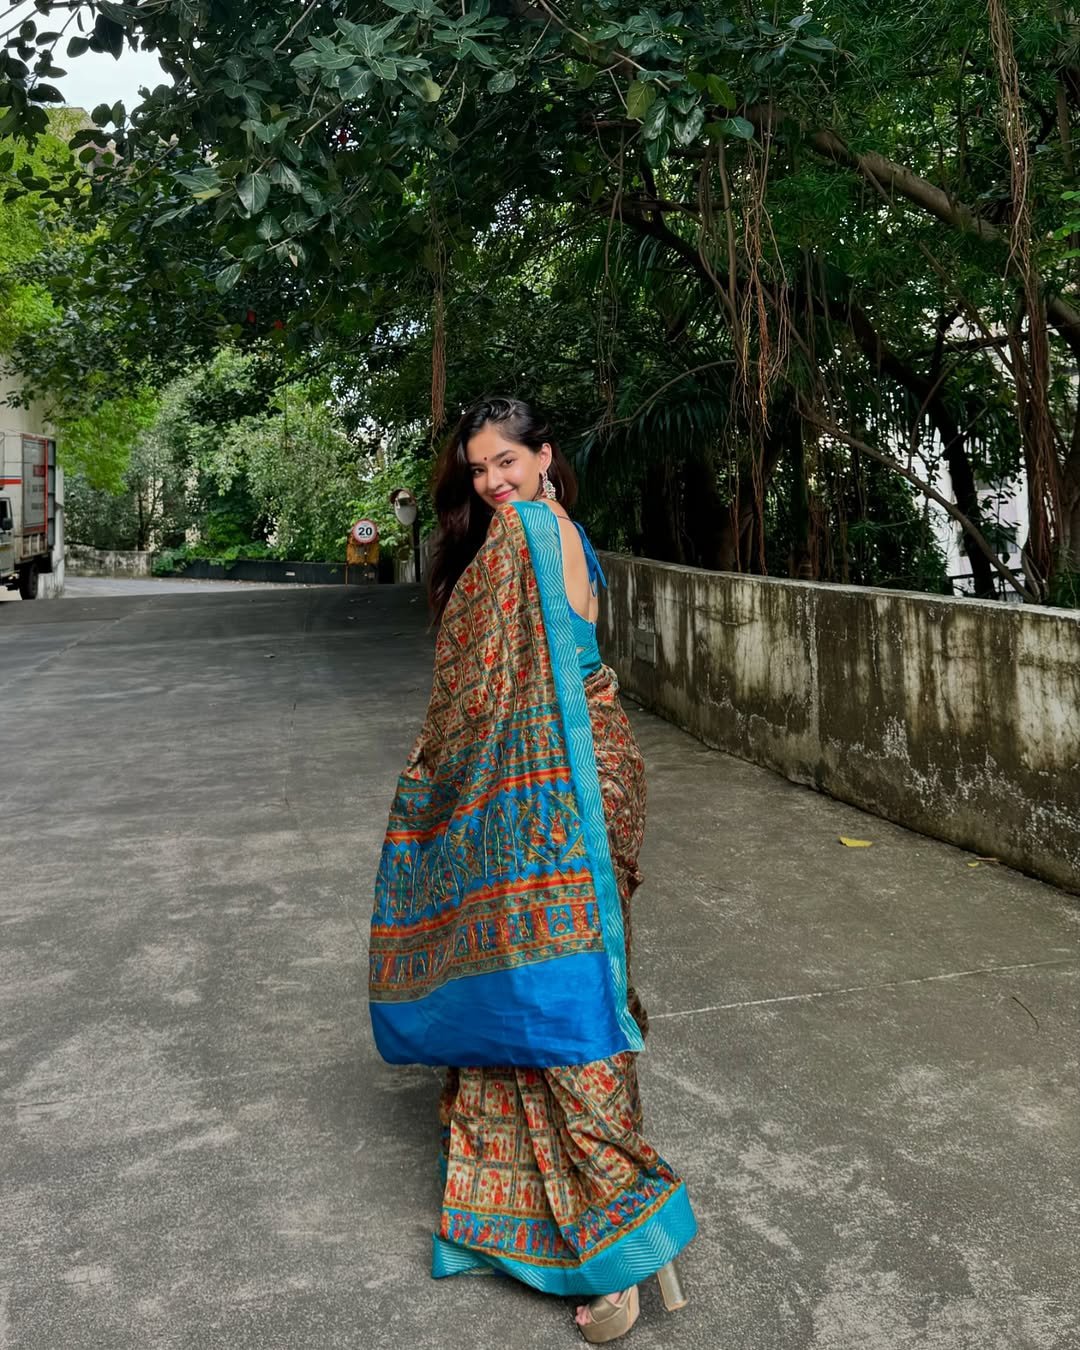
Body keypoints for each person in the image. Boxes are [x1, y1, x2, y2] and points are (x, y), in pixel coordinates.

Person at [370, 396, 696, 1342]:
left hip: (564, 781)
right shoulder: (546, 533)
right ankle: (538, 1225)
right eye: (478, 470)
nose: (491, 482)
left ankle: (622, 1247)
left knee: (563, 992)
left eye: (506, 461)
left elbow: (521, 681)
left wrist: (447, 779)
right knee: (531, 977)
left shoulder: (535, 531)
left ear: (544, 457)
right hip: (560, 768)